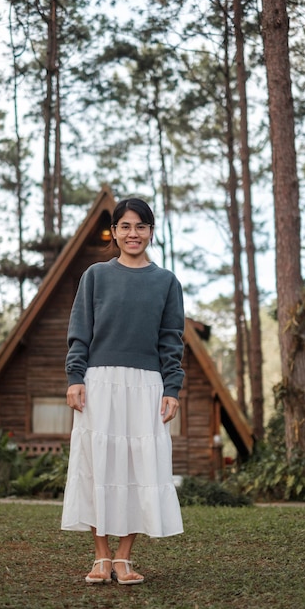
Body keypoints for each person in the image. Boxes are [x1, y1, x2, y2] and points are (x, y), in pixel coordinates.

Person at [61, 197, 185, 585]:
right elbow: (80, 332)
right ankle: (100, 556)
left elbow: (171, 340)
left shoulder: (166, 282)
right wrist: (75, 377)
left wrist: (172, 388)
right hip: (99, 382)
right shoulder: (95, 275)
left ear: (151, 231)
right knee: (99, 464)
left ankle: (124, 558)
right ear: (114, 232)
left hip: (146, 385)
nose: (134, 234)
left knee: (138, 467)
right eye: (126, 227)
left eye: (141, 226)